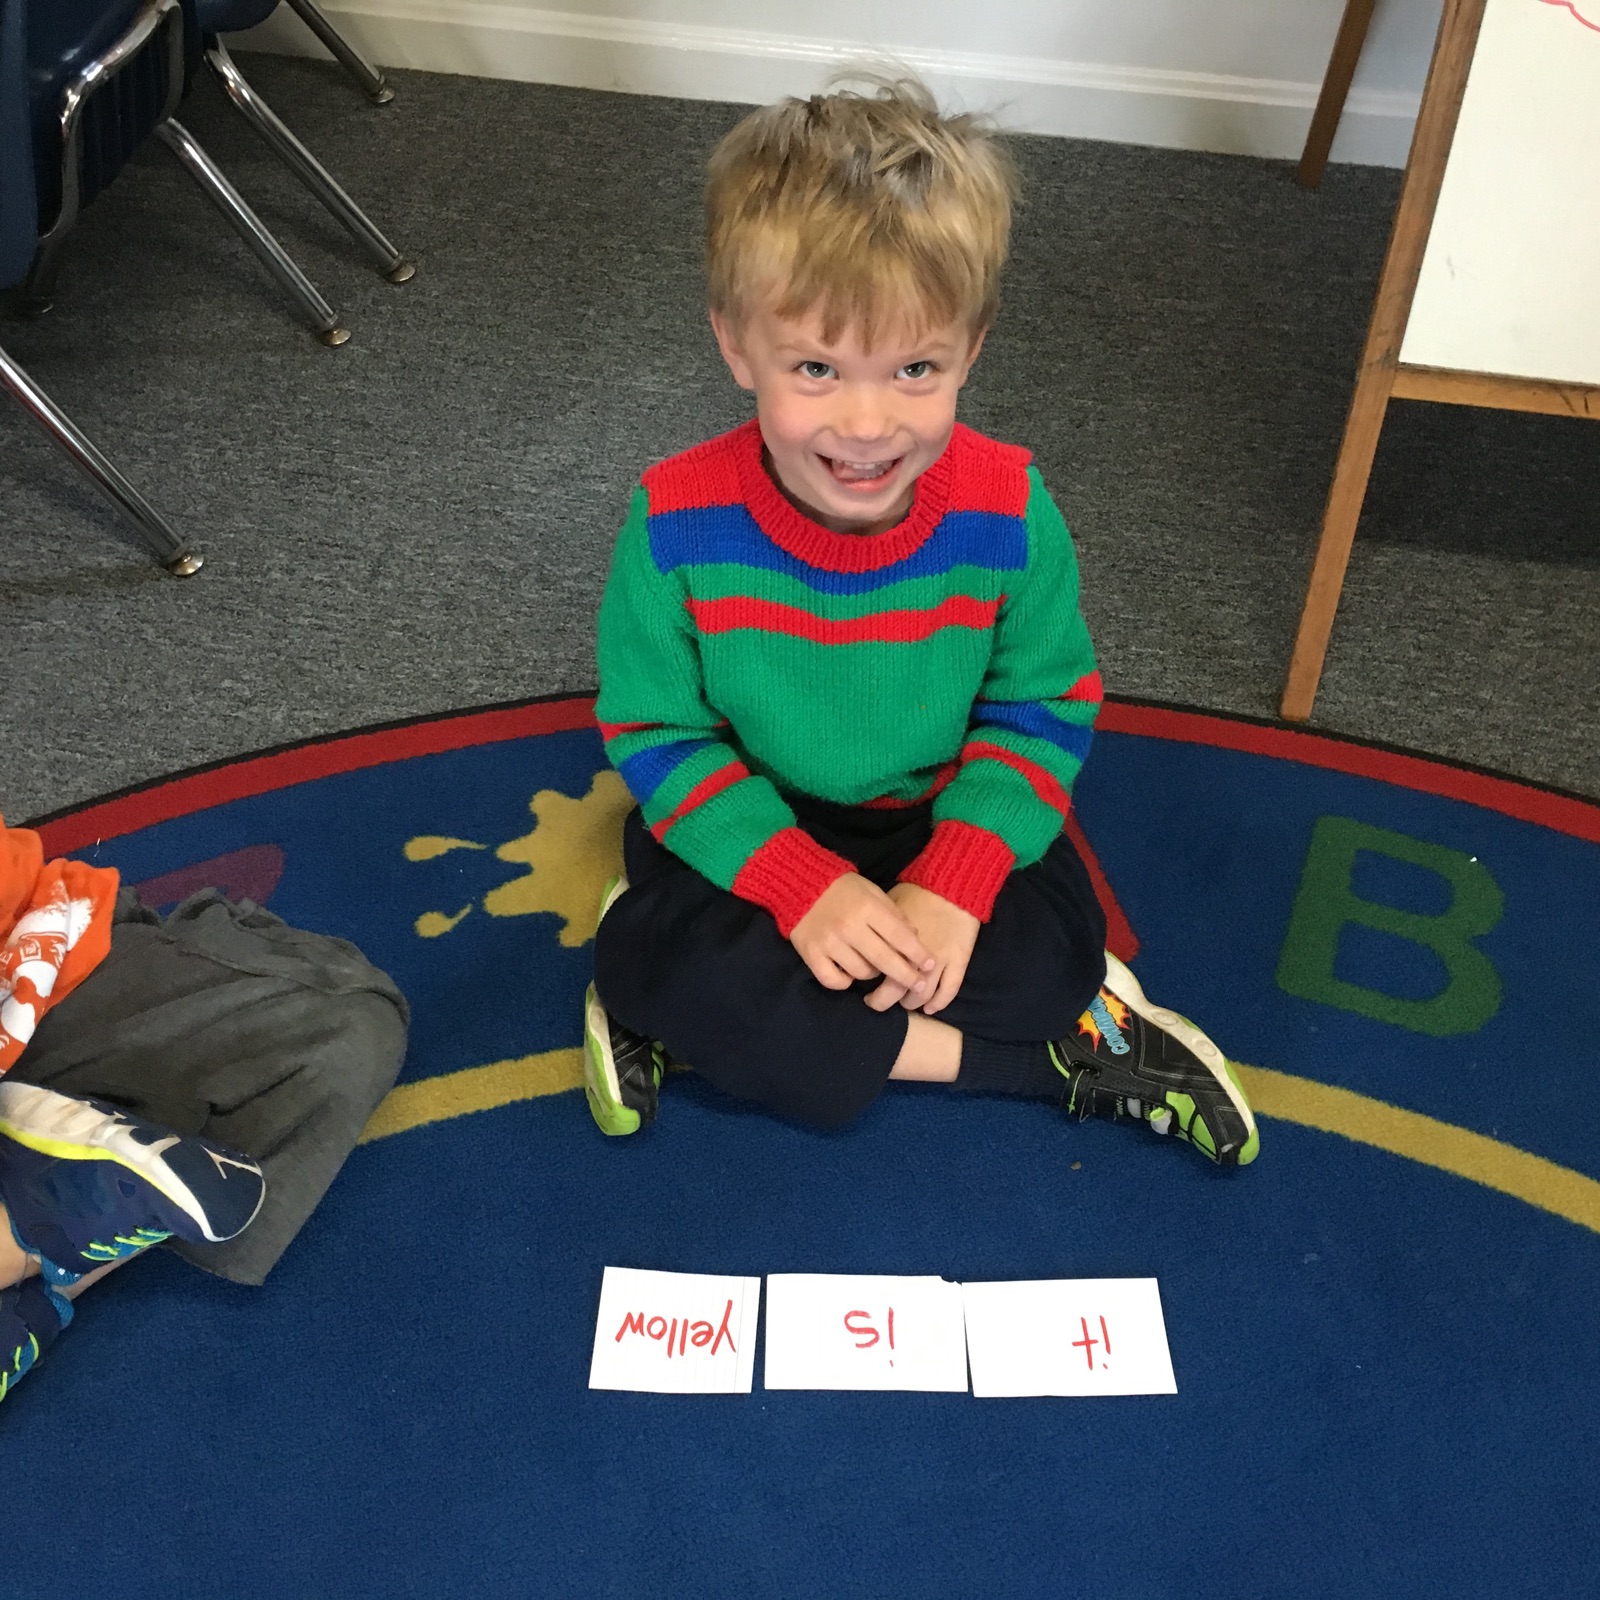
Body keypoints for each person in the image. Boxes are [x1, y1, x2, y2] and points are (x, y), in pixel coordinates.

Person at [582, 77, 1258, 1165]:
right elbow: (658, 734)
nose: (867, 424)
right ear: (736, 346)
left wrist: (952, 880)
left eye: (914, 369)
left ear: (970, 349)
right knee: (660, 957)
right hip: (755, 821)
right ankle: (1042, 1063)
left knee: (1052, 956)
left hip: (931, 815)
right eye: (815, 368)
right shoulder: (672, 520)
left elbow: (1041, 711)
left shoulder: (1009, 509)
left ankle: (724, 1035)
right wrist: (799, 885)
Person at [0, 819, 408, 1403]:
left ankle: (53, 1220)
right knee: (344, 1030)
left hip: (38, 975)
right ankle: (46, 1258)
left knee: (345, 1033)